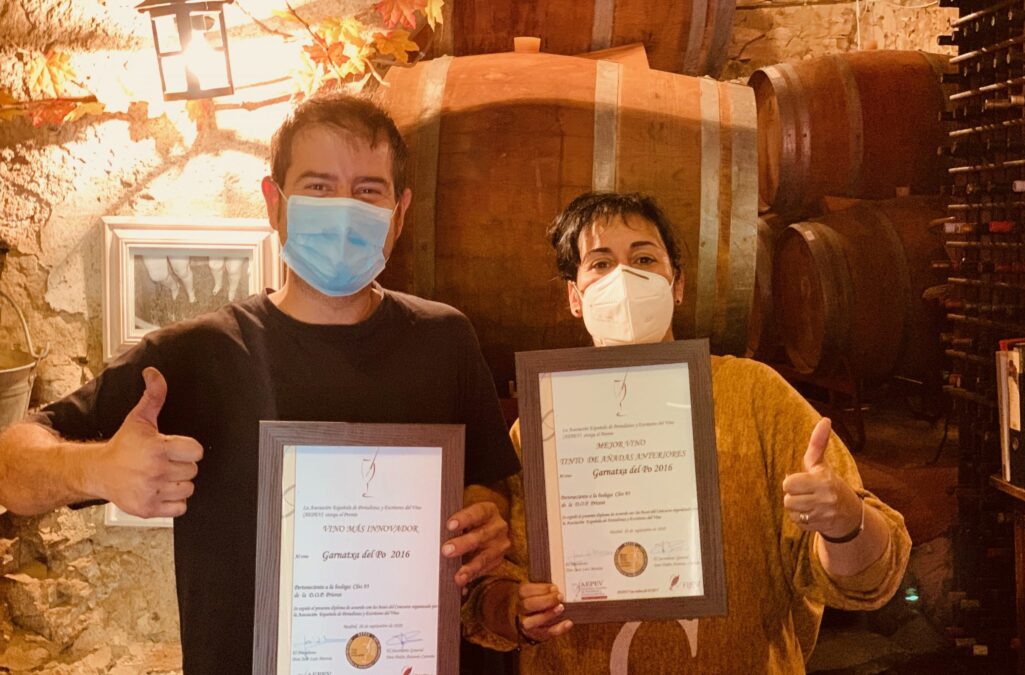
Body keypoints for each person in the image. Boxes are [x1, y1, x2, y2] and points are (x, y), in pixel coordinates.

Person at [0, 92, 519, 674]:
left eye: (368, 191)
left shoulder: (445, 339)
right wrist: (98, 468)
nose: (343, 210)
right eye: (318, 187)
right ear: (275, 204)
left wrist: (482, 514)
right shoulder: (194, 354)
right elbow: (10, 466)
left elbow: (487, 483)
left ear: (399, 212)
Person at [462, 191, 912, 673]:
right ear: (575, 297)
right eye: (601, 263)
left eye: (644, 259)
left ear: (677, 284)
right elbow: (488, 589)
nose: (623, 278)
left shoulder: (754, 395)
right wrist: (515, 610)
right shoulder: (542, 423)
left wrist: (845, 522)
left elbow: (869, 579)